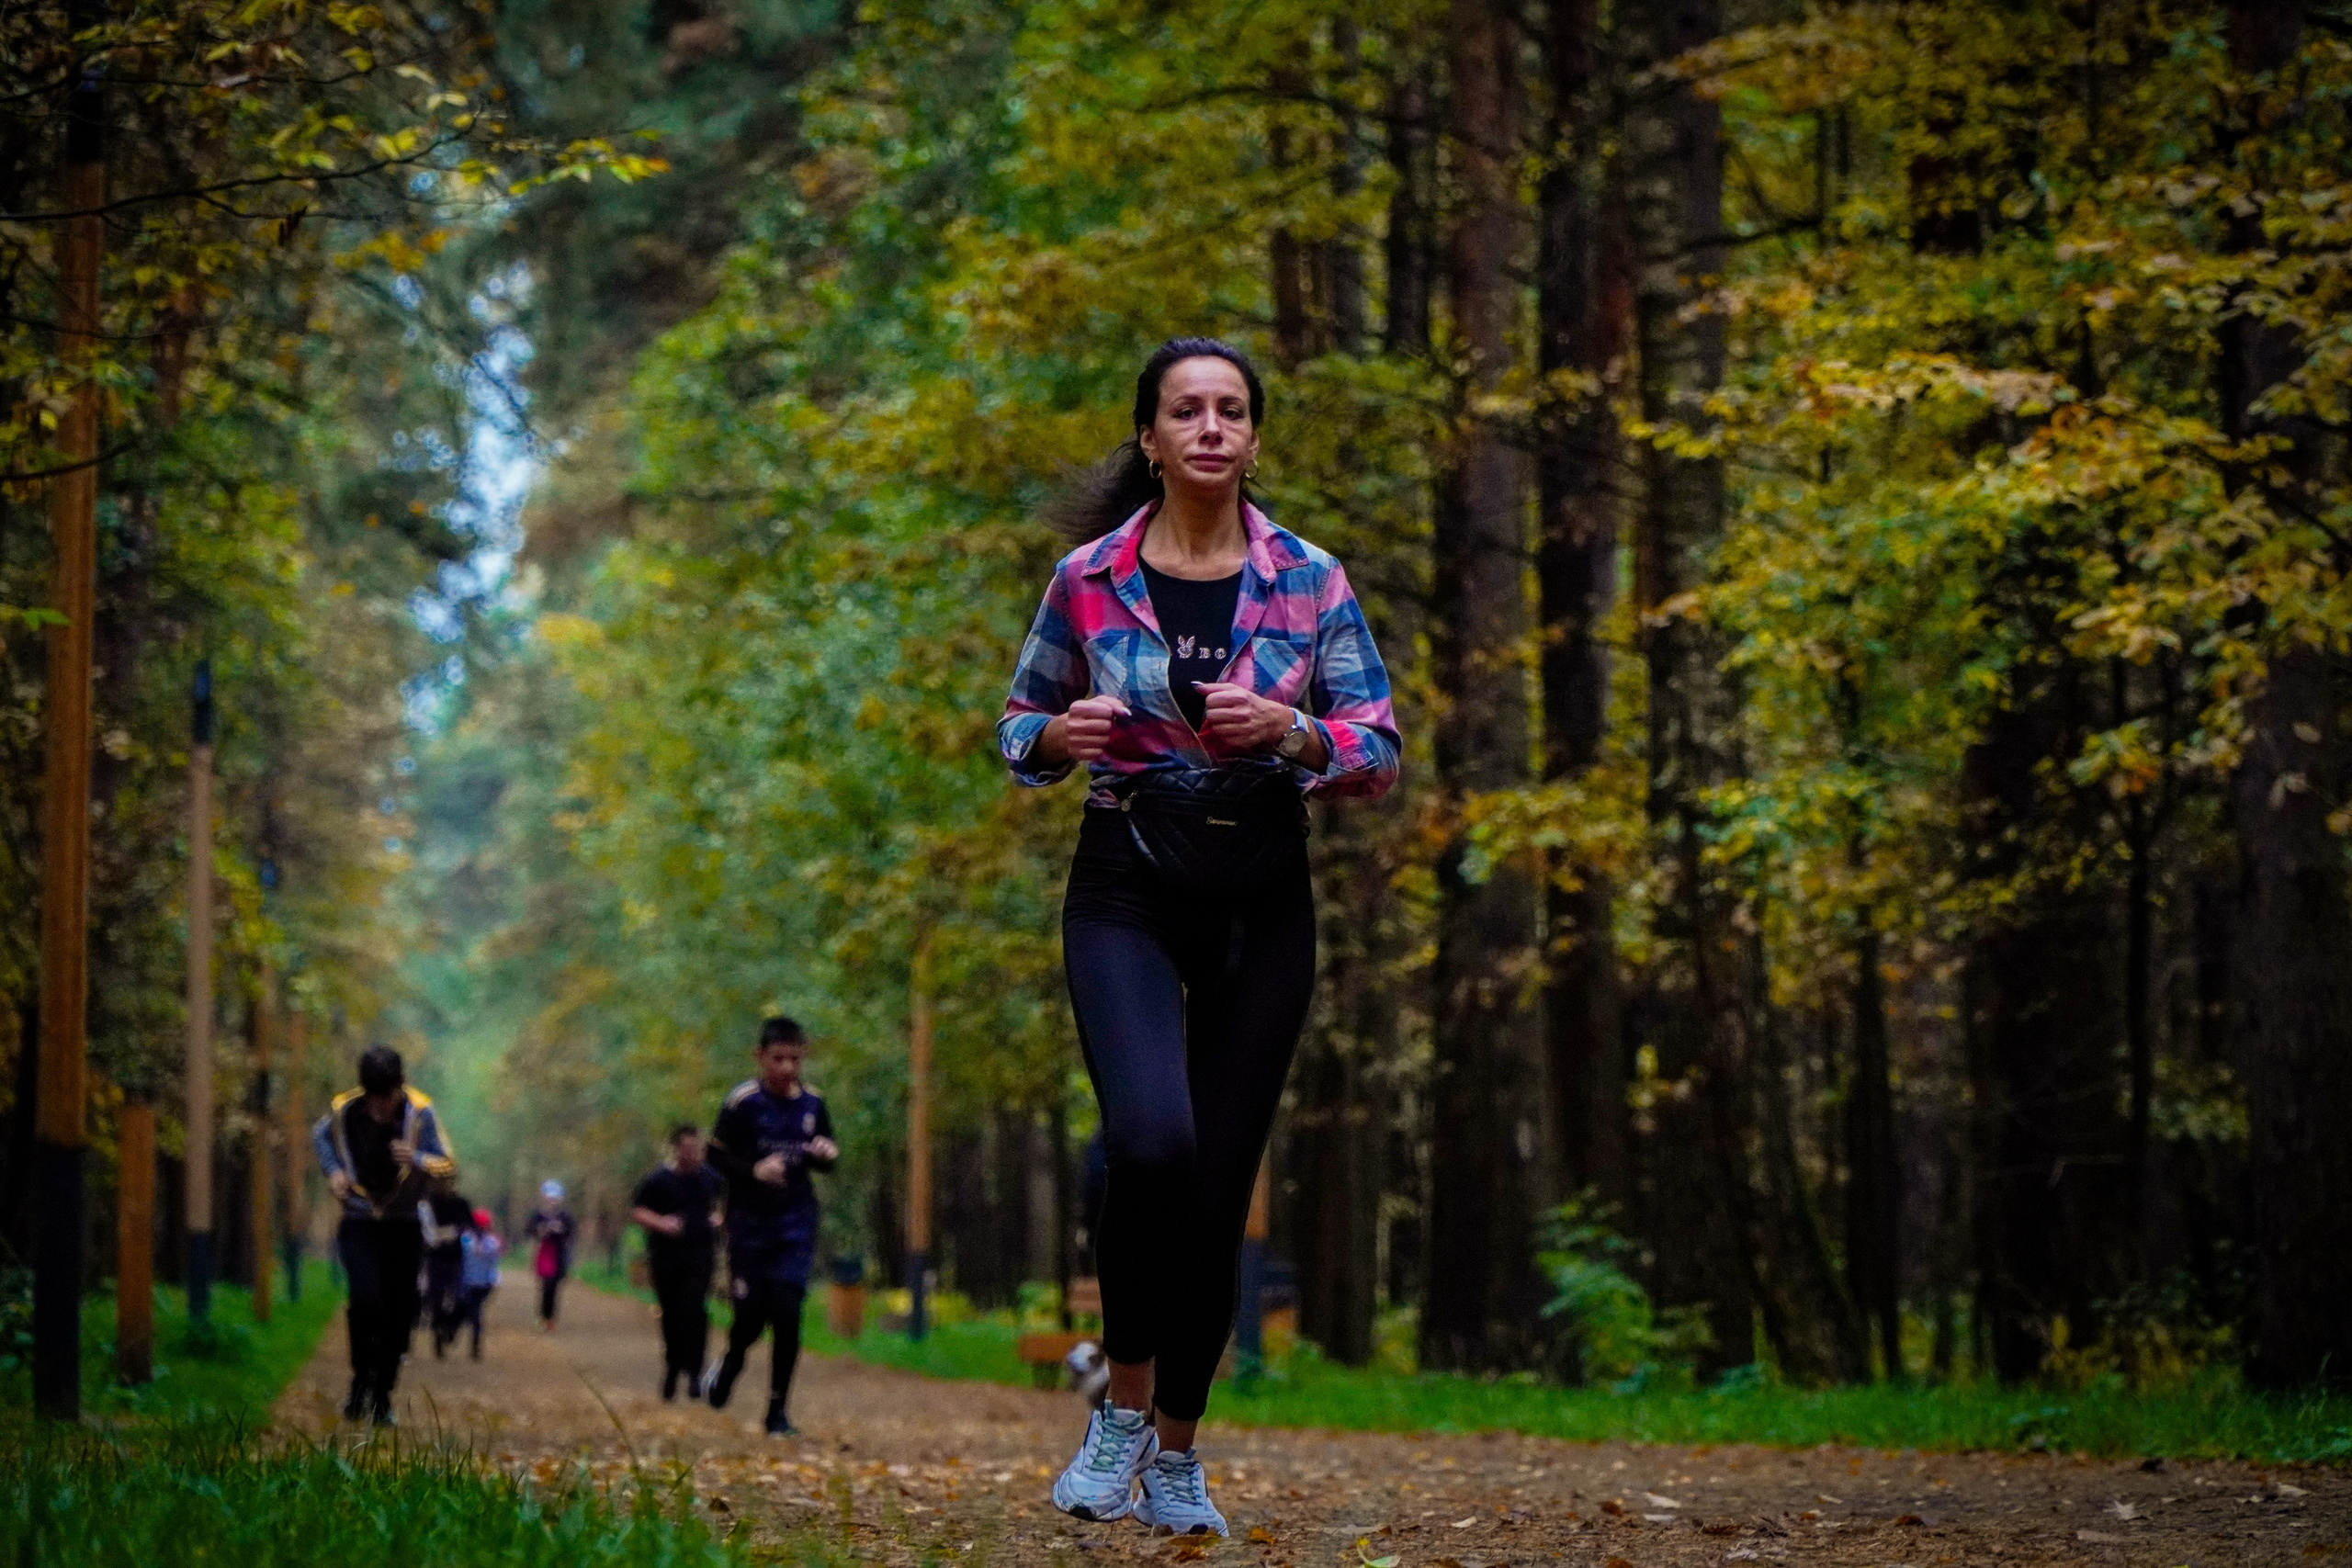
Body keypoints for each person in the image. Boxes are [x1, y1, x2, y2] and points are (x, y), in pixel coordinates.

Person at [998, 337, 1397, 1535]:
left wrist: (1292, 729)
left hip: (1262, 889)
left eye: (1232, 409)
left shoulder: (1311, 579)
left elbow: (1376, 745)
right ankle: (1116, 1411)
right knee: (1152, 1142)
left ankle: (1177, 1449)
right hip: (1126, 875)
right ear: (1152, 438)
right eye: (1189, 409)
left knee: (1219, 1184)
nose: (1213, 426)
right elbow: (1020, 718)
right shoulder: (1087, 576)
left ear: (1253, 438)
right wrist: (1053, 738)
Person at [704, 1016, 839, 1437]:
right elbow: (716, 1157)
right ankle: (730, 1364)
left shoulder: (813, 1105)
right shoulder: (742, 1103)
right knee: (750, 1317)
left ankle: (777, 1411)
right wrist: (753, 1169)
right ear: (760, 1057)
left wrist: (827, 1154)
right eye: (778, 1058)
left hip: (795, 1223)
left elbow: (826, 1156)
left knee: (787, 1311)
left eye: (795, 1059)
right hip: (748, 1224)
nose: (786, 1068)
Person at [312, 1043, 458, 1424]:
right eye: (374, 1100)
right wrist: (334, 1173)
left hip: (404, 1224)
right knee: (365, 1300)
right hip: (360, 1220)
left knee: (399, 1310)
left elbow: (448, 1164)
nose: (380, 1108)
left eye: (387, 1098)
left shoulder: (421, 1113)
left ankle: (383, 1395)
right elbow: (320, 1137)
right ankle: (360, 1380)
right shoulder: (344, 1110)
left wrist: (418, 1159)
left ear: (401, 1087)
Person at [630, 1123, 726, 1400]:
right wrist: (661, 1223)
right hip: (666, 1256)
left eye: (696, 1149)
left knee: (695, 1309)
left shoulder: (711, 1178)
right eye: (686, 1149)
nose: (692, 1154)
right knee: (671, 1313)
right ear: (676, 1149)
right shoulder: (658, 1179)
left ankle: (695, 1372)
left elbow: (729, 1206)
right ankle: (673, 1366)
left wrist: (719, 1220)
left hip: (700, 1253)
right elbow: (638, 1209)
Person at [420, 1179, 472, 1357]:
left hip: (456, 1258)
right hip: (434, 1258)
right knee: (435, 1297)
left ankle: (451, 1328)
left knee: (460, 1298)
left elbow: (469, 1225)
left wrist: (455, 1232)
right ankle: (437, 1335)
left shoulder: (461, 1203)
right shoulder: (429, 1204)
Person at [526, 1181, 576, 1330]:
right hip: (543, 1252)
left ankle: (550, 1317)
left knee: (554, 1286)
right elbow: (529, 1230)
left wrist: (560, 1229)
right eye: (549, 1197)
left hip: (559, 1253)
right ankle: (543, 1317)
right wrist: (540, 1230)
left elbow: (571, 1233)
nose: (552, 1200)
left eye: (555, 1198)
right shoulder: (537, 1214)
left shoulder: (565, 1215)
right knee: (546, 1285)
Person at [455, 1206, 501, 1359]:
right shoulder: (467, 1239)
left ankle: (475, 1345)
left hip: (482, 1285)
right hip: (469, 1283)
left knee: (475, 1313)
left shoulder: (486, 1241)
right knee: (471, 1313)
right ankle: (471, 1341)